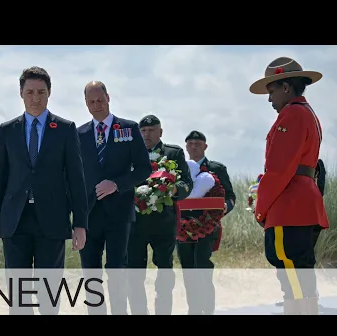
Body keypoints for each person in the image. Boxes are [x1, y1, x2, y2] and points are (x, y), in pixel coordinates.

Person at [0, 66, 88, 315]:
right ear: (21, 93)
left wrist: (80, 223)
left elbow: (76, 178)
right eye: (30, 92)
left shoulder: (65, 129)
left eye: (41, 92)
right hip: (14, 221)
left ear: (49, 93)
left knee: (48, 295)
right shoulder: (7, 130)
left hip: (51, 221)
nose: (36, 98)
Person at [249, 56, 329, 315]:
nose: (269, 98)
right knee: (300, 278)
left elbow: (279, 170)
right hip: (302, 203)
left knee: (292, 279)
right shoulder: (306, 113)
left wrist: (261, 208)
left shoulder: (292, 114)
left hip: (289, 205)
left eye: (271, 91)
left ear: (285, 87)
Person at [77, 81, 152, 315]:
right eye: (91, 102)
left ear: (108, 98)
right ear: (86, 103)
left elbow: (144, 169)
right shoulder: (78, 134)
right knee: (90, 272)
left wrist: (117, 184)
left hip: (119, 214)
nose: (97, 105)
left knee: (117, 269)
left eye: (100, 100)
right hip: (88, 215)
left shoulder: (128, 129)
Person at [126, 115, 193, 315]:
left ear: (160, 132)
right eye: (143, 131)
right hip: (135, 224)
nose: (147, 135)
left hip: (163, 223)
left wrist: (173, 190)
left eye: (151, 131)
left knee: (164, 270)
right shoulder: (129, 153)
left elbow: (186, 183)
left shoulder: (173, 153)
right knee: (134, 274)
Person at [176, 130, 236, 315]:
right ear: (186, 147)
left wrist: (224, 206)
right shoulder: (179, 169)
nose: (194, 146)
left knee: (202, 266)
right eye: (190, 144)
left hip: (207, 225)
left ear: (205, 146)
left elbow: (230, 197)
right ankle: (193, 309)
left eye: (198, 144)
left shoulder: (216, 169)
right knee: (187, 269)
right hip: (183, 227)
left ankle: (207, 309)